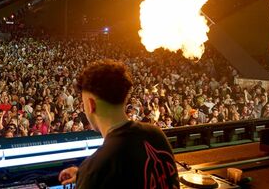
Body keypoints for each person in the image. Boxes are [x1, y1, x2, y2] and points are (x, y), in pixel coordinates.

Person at [59, 60, 179, 188]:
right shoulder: (156, 134)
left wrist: (88, 177)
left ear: (91, 105)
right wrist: (82, 174)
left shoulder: (95, 170)